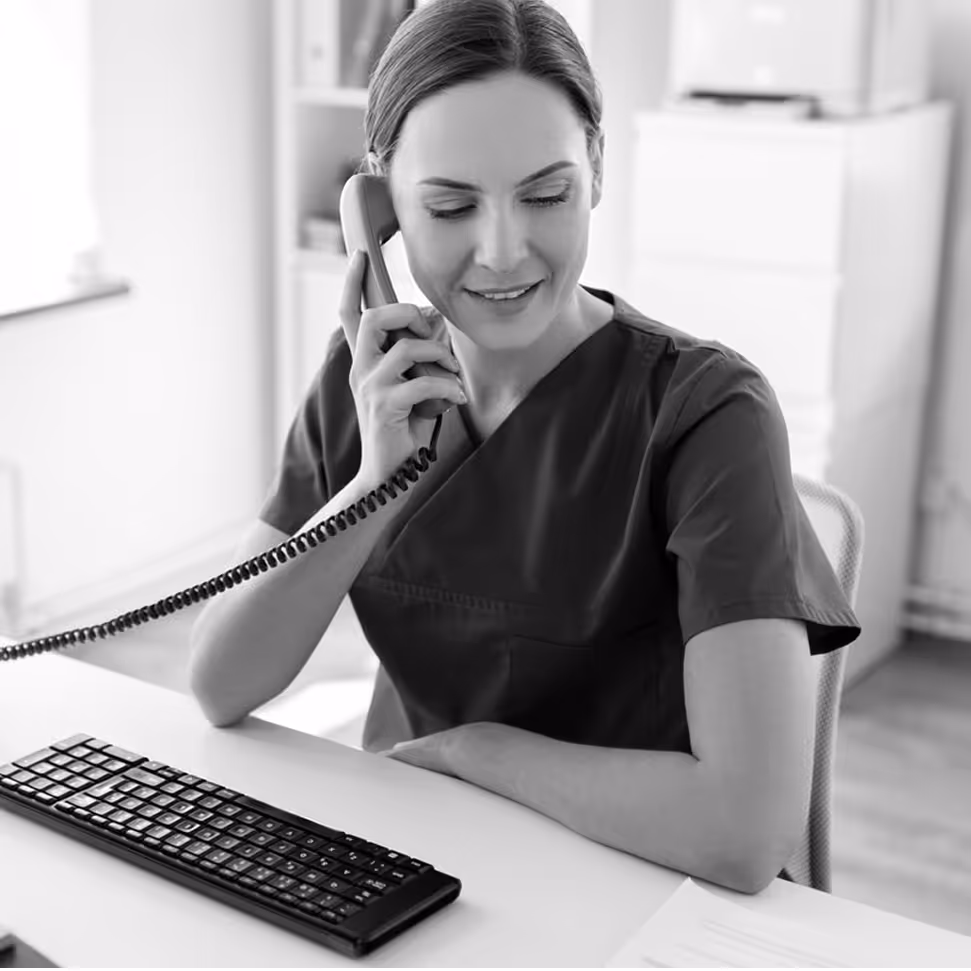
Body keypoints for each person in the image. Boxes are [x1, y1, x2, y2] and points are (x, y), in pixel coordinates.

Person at [188, 0, 861, 894]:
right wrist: (377, 482)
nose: (501, 252)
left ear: (595, 170)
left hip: (641, 887)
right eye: (451, 205)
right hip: (418, 870)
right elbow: (219, 684)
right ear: (382, 207)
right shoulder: (369, 386)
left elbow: (742, 830)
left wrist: (482, 750)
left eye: (544, 195)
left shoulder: (707, 411)